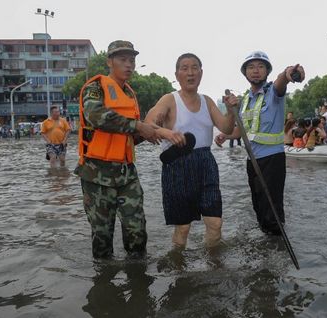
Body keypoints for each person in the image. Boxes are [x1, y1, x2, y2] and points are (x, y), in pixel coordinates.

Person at [75, 40, 159, 259]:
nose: (129, 65)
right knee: (102, 236)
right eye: (123, 60)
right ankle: (105, 283)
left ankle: (138, 280)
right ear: (109, 62)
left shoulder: (130, 94)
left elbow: (126, 136)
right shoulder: (95, 88)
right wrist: (138, 126)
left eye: (132, 60)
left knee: (137, 230)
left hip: (126, 173)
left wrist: (148, 133)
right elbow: (97, 117)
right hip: (97, 175)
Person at [145, 53, 236, 249]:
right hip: (177, 164)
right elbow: (147, 125)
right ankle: (179, 269)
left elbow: (226, 128)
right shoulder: (169, 100)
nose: (190, 73)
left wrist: (230, 112)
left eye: (195, 68)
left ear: (201, 73)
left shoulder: (207, 101)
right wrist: (167, 133)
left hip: (206, 164)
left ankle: (213, 266)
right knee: (183, 228)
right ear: (177, 74)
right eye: (184, 68)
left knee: (215, 223)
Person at [215, 51, 305, 235]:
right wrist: (227, 136)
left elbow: (282, 81)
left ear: (267, 71)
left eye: (260, 66)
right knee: (258, 207)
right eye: (251, 67)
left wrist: (289, 73)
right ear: (245, 73)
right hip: (253, 161)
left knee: (272, 210)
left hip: (273, 160)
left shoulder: (273, 92)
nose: (256, 71)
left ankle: (277, 249)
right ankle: (266, 248)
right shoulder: (246, 99)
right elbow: (244, 130)